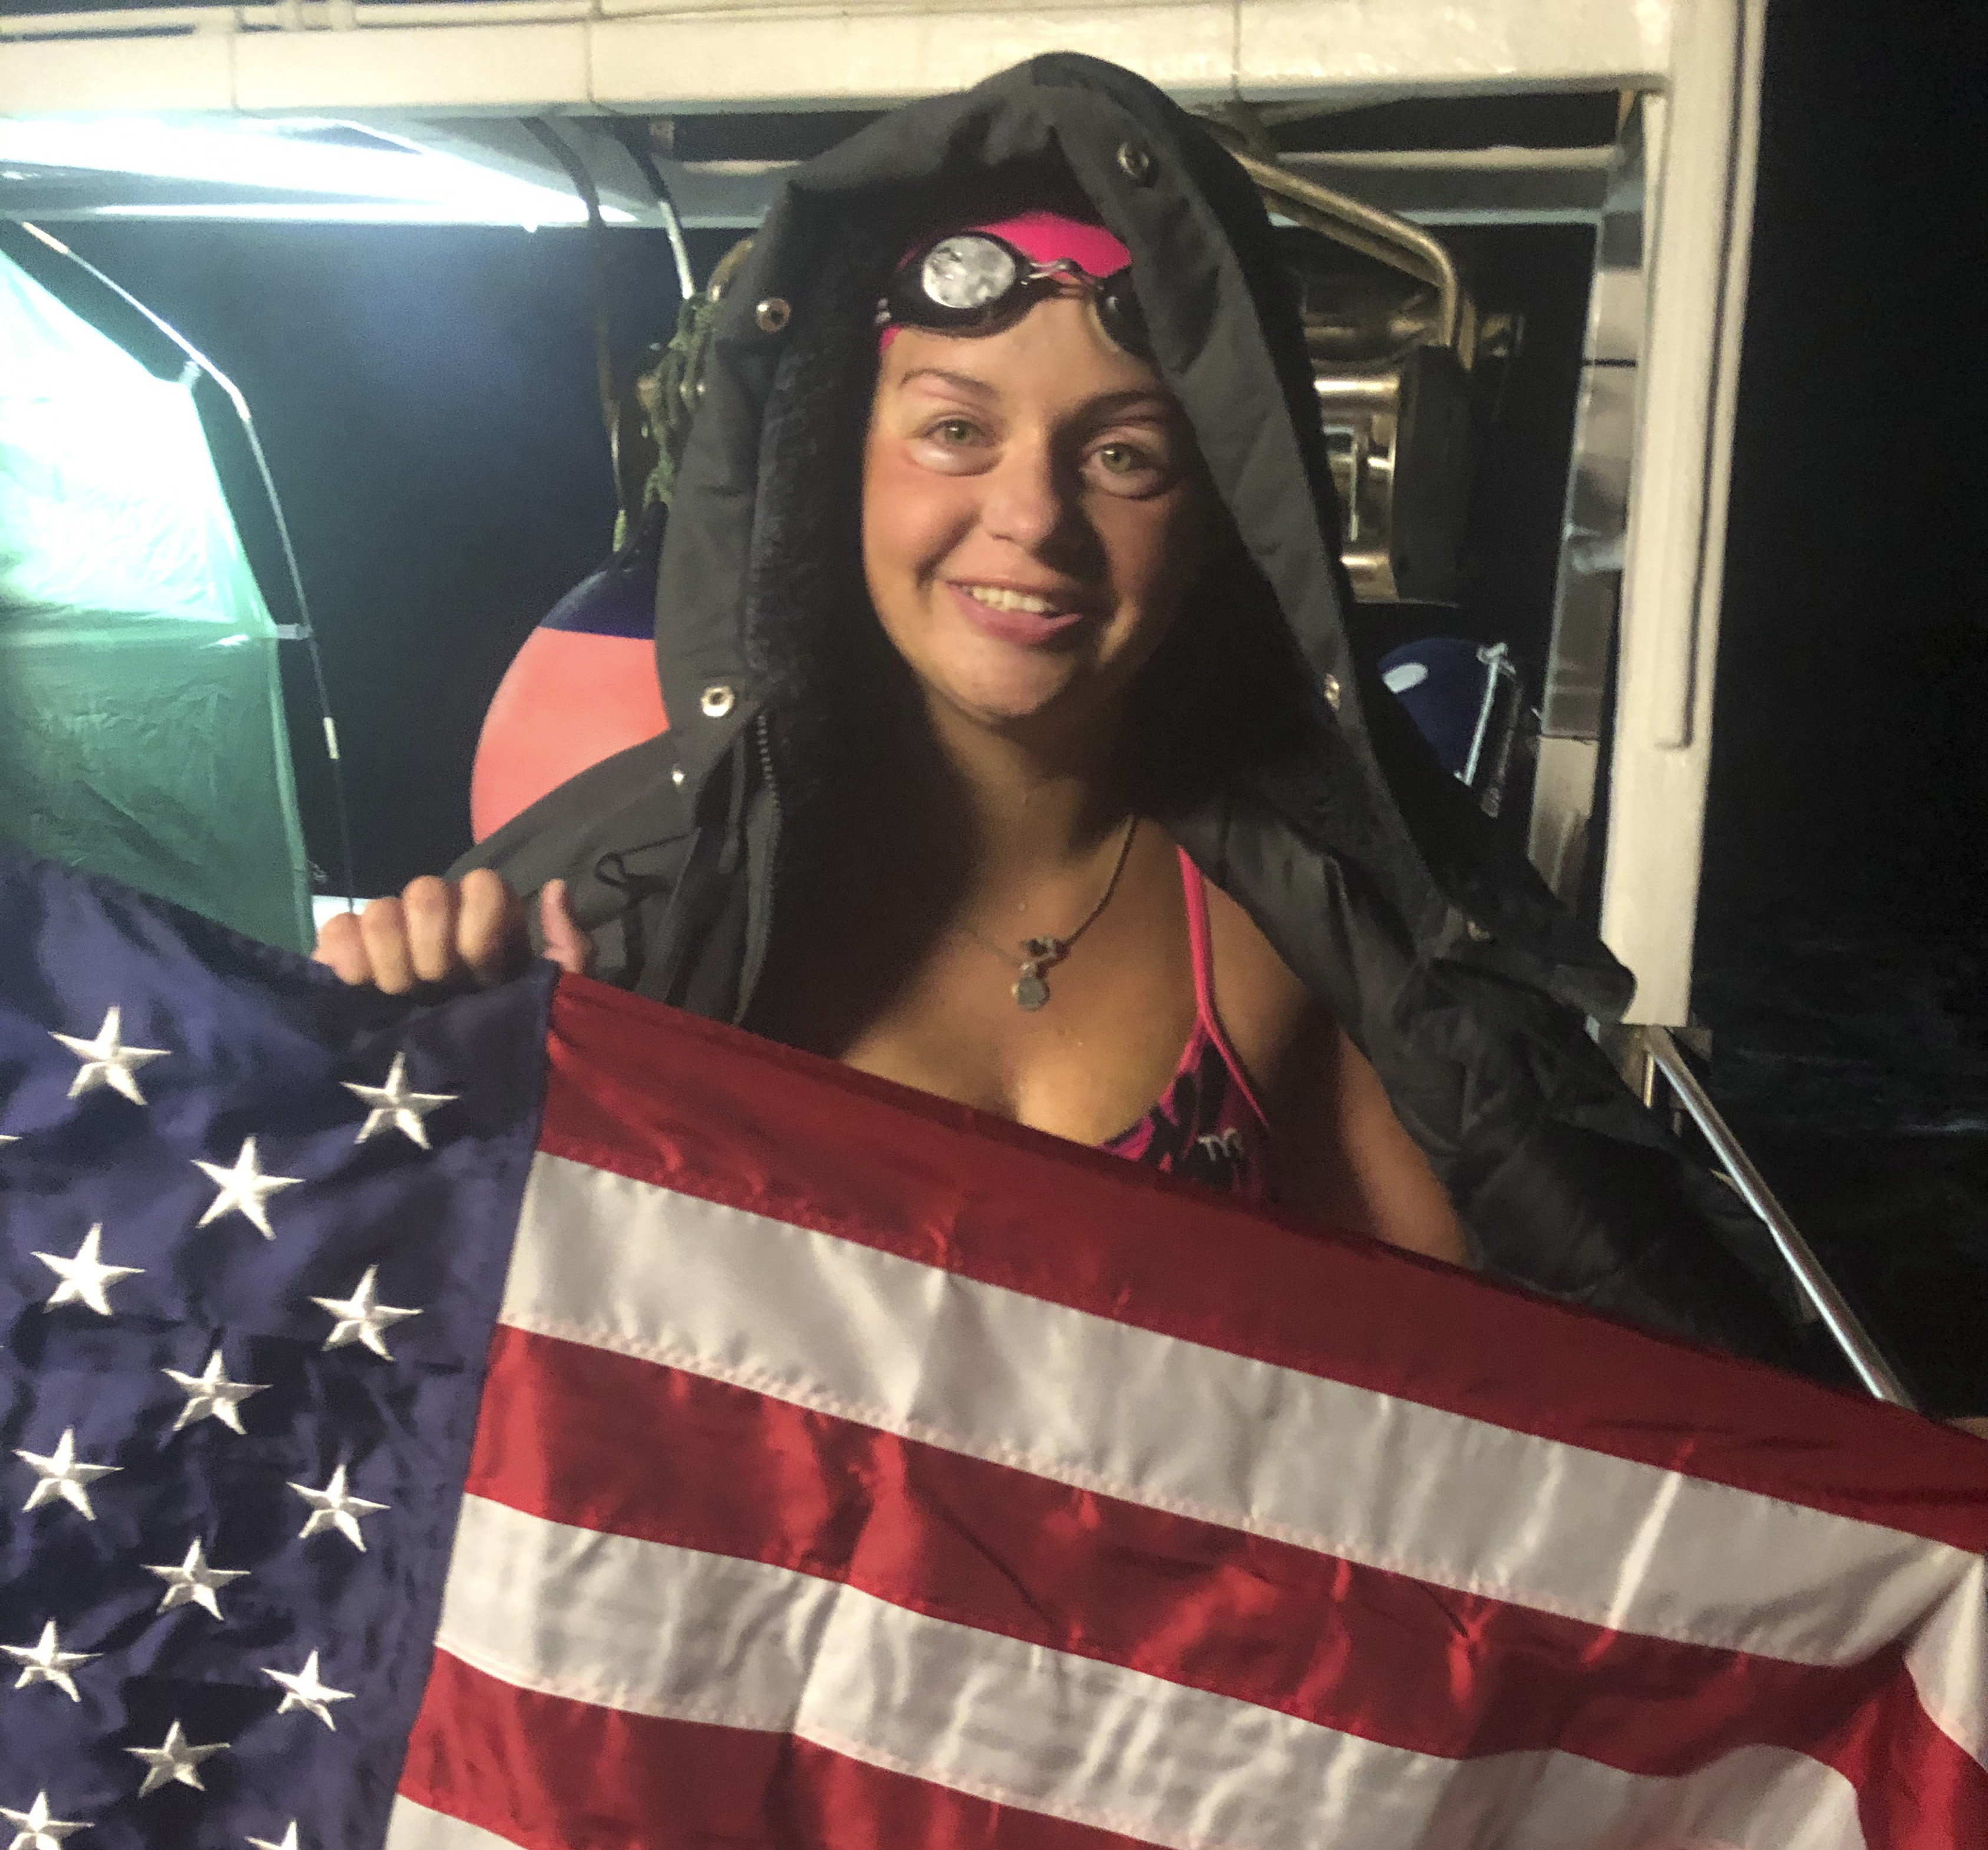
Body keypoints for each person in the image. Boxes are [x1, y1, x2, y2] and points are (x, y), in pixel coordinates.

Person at [317, 52, 1804, 1363]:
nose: (1030, 518)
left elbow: (1480, 1418)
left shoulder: (1293, 934)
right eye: (954, 430)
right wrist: (402, 1075)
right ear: (832, 476)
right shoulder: (633, 927)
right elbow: (404, 1391)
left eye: (1126, 457)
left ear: (1223, 525)